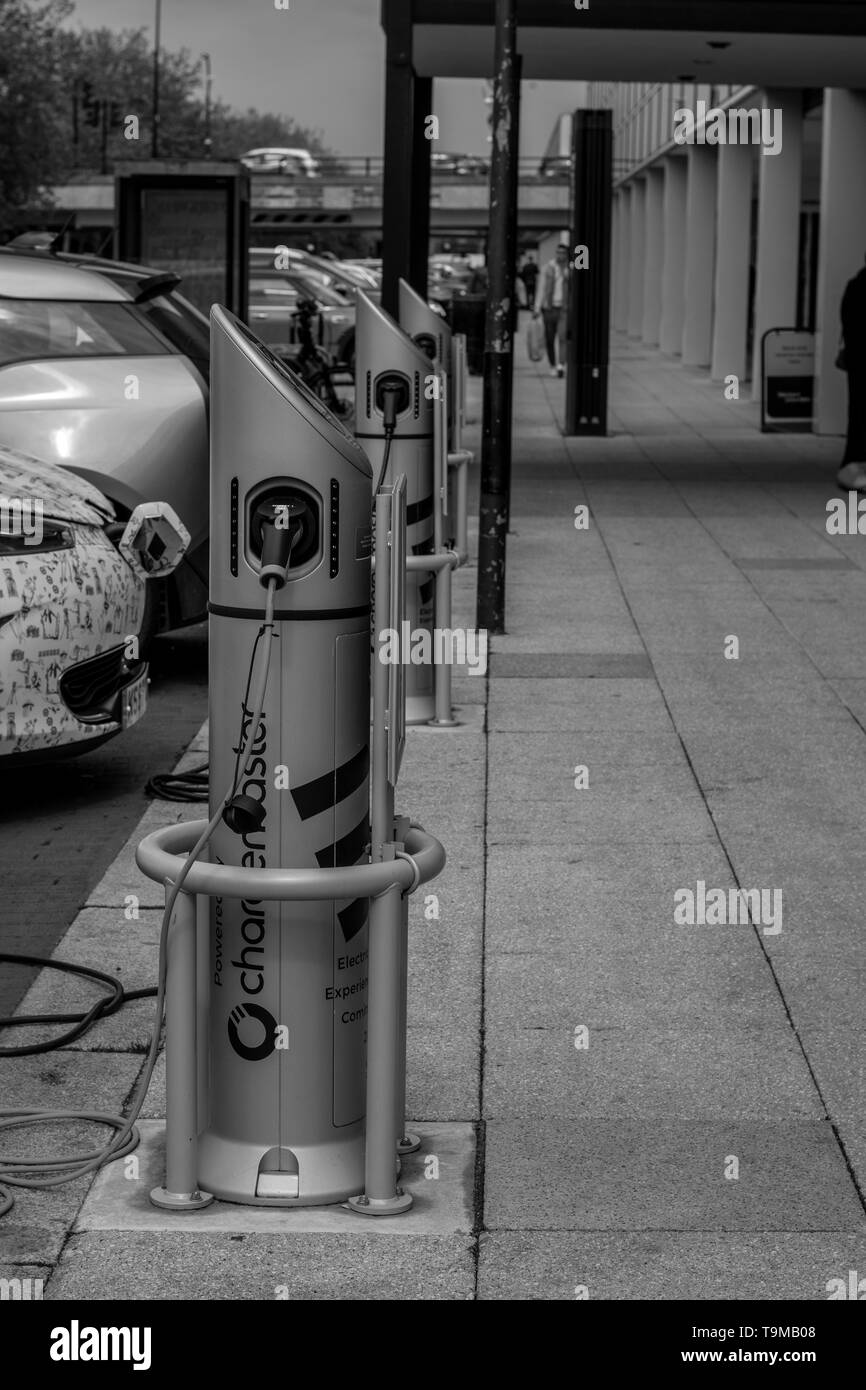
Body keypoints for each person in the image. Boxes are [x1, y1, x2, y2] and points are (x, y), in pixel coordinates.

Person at [836, 256, 866, 491]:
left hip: (858, 359)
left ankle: (852, 465)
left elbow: (846, 320)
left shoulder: (855, 285)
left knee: (857, 411)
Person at [533, 243, 570, 377]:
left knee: (562, 337)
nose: (560, 255)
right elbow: (541, 288)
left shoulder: (570, 269)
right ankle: (552, 365)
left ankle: (561, 365)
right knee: (549, 338)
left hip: (564, 309)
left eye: (563, 253)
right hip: (549, 308)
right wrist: (537, 307)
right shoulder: (547, 268)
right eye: (558, 252)